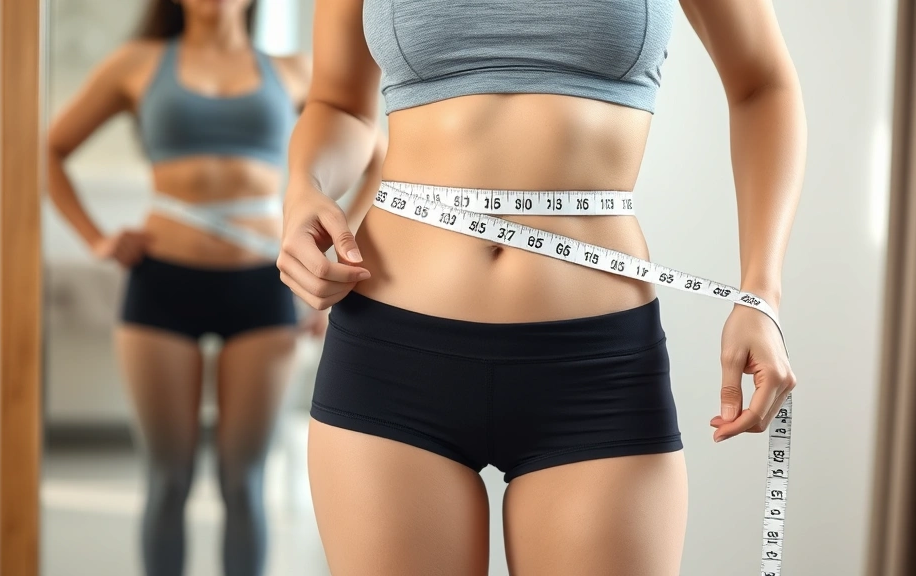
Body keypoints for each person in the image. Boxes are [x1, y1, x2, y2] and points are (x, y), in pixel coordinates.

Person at [278, 0, 802, 574]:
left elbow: (762, 85)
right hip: (390, 352)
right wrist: (303, 190)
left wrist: (761, 294)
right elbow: (338, 103)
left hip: (595, 371)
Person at [45, 0, 383, 575]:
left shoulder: (294, 70)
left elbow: (374, 152)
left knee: (243, 480)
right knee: (168, 479)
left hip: (262, 286)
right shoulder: (137, 63)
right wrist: (98, 240)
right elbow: (50, 149)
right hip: (161, 285)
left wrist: (338, 250)